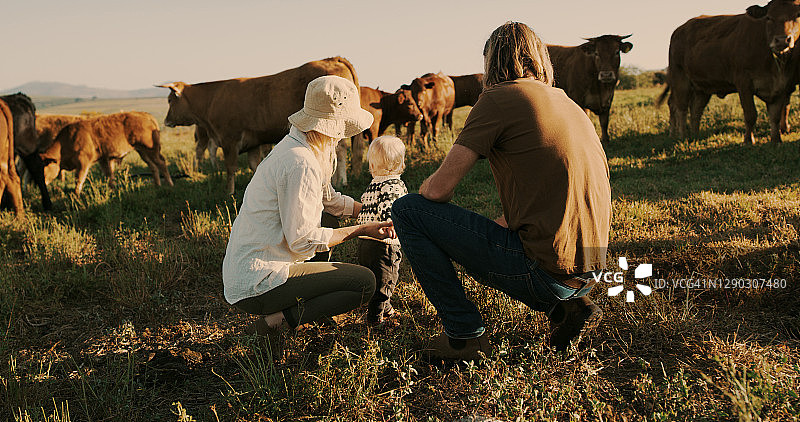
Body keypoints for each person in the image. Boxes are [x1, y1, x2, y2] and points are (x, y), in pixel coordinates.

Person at [391, 22, 611, 360]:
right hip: (590, 271)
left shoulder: (497, 97)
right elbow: (554, 187)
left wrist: (431, 198)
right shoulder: (564, 100)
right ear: (541, 58)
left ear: (491, 61)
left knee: (408, 210)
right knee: (497, 229)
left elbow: (437, 192)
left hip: (546, 275)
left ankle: (464, 336)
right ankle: (570, 308)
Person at [222, 75, 395, 350]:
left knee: (328, 215)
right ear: (334, 126)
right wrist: (361, 230)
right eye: (342, 128)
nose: (342, 135)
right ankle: (275, 322)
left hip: (256, 265)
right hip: (259, 280)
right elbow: (302, 240)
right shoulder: (300, 163)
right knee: (363, 282)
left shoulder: (302, 146)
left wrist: (369, 211)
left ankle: (308, 306)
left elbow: (329, 200)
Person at [356, 135, 409, 325]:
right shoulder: (394, 184)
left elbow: (365, 206)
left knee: (374, 279)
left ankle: (386, 309)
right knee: (386, 281)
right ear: (400, 164)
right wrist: (390, 224)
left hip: (365, 243)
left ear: (372, 166)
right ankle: (375, 320)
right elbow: (390, 207)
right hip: (384, 244)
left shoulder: (373, 185)